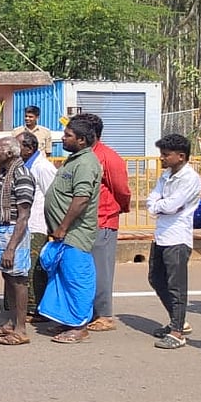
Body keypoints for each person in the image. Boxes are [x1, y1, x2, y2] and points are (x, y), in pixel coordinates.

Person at [39, 118, 102, 344]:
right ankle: (67, 320)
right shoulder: (73, 161)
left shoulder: (86, 164)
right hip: (62, 235)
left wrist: (63, 227)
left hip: (74, 234)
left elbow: (82, 198)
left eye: (67, 135)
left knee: (77, 279)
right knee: (63, 278)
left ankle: (80, 326)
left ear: (82, 140)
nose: (63, 138)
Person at [73, 113, 132, 333]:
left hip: (103, 219)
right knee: (83, 269)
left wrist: (119, 208)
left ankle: (105, 314)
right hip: (82, 222)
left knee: (101, 269)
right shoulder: (82, 156)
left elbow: (122, 189)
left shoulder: (107, 157)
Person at [0, 137, 36, 345]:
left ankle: (20, 329)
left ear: (10, 153)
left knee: (18, 279)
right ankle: (11, 322)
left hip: (13, 232)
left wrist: (11, 247)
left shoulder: (21, 175)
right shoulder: (2, 173)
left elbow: (23, 215)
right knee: (8, 277)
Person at [145, 133, 200, 349]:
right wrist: (160, 206)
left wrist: (160, 206)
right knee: (155, 278)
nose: (162, 159)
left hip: (178, 237)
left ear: (181, 156)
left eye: (166, 155)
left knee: (176, 286)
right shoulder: (166, 175)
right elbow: (153, 200)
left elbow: (171, 206)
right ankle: (178, 321)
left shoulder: (190, 178)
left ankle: (177, 332)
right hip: (161, 235)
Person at [14, 131, 58, 321]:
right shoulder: (23, 165)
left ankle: (37, 309)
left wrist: (54, 226)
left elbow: (52, 197)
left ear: (29, 148)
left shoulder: (43, 167)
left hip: (37, 223)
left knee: (33, 269)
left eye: (19, 146)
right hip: (23, 224)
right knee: (22, 267)